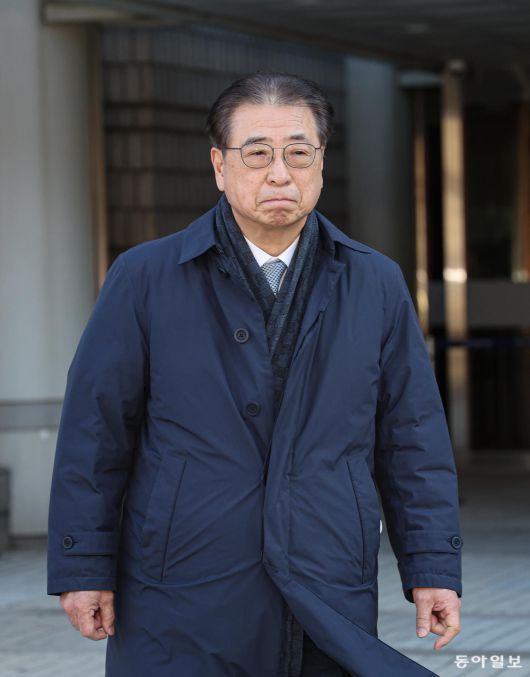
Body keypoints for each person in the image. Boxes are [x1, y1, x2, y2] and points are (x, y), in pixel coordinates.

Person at [47, 72, 463, 677]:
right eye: (258, 154)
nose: (280, 174)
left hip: (326, 576)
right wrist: (83, 567)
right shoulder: (145, 278)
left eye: (299, 153)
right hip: (181, 582)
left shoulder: (374, 282)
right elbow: (95, 431)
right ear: (220, 166)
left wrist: (432, 568)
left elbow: (412, 437)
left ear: (322, 163)